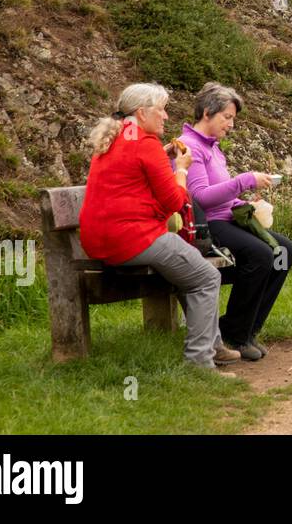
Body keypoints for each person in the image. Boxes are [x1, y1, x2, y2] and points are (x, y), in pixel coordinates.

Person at [80, 83, 239, 375]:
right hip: (133, 239)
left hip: (97, 240)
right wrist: (180, 169)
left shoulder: (116, 137)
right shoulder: (146, 144)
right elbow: (176, 201)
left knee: (187, 272)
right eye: (161, 109)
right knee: (206, 277)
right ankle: (199, 363)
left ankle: (213, 344)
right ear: (142, 113)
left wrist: (163, 157)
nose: (166, 116)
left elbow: (134, 173)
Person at [178, 82, 292, 362]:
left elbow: (221, 196)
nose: (231, 124)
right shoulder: (191, 147)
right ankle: (235, 333)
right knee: (260, 255)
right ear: (207, 112)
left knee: (283, 250)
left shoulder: (215, 148)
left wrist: (244, 204)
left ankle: (246, 330)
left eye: (233, 119)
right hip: (206, 226)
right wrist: (244, 180)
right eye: (227, 117)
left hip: (227, 219)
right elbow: (200, 199)